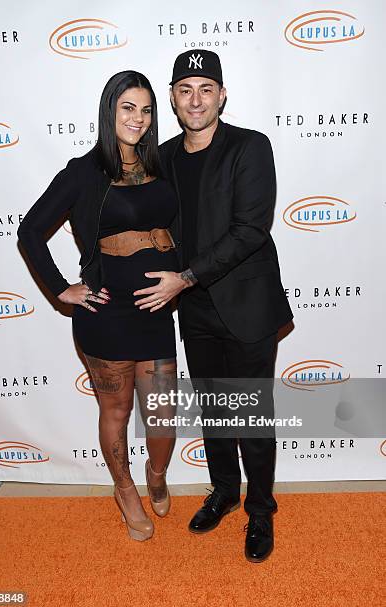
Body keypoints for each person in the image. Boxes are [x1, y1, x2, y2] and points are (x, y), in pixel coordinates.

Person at [133, 50, 293, 561]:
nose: (195, 99)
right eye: (185, 90)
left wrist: (184, 277)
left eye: (205, 88)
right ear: (173, 102)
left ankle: (261, 509)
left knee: (252, 416)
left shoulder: (250, 147)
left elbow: (250, 230)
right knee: (217, 412)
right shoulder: (162, 157)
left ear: (222, 95)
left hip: (246, 302)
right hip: (194, 306)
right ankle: (224, 491)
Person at [17, 71, 179, 542]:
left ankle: (155, 472)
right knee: (116, 411)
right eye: (128, 107)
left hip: (155, 313)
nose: (138, 119)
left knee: (163, 412)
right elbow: (30, 231)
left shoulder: (162, 165)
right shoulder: (82, 172)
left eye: (146, 109)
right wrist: (59, 288)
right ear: (110, 111)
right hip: (106, 317)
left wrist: (181, 278)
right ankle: (125, 488)